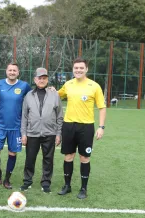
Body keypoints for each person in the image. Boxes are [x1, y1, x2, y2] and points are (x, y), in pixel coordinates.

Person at [57, 57, 106, 199]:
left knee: (84, 157)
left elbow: (102, 108)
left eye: (81, 68)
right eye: (76, 68)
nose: (78, 70)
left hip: (86, 127)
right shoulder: (68, 84)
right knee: (68, 156)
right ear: (73, 69)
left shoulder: (94, 86)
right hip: (69, 125)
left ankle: (83, 188)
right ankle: (67, 185)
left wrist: (101, 127)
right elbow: (56, 95)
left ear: (86, 69)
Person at [20, 67, 63, 193]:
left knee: (48, 159)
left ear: (47, 79)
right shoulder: (28, 95)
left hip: (50, 133)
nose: (42, 80)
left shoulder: (54, 94)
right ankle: (27, 181)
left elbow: (60, 116)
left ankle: (45, 183)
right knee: (30, 159)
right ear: (35, 79)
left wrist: (58, 133)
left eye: (44, 78)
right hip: (32, 133)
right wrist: (24, 133)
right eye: (39, 78)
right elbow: (24, 116)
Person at [0, 62, 32, 189]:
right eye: (10, 70)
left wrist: (50, 89)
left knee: (12, 153)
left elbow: (34, 96)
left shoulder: (24, 86)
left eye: (15, 70)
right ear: (6, 71)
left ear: (18, 72)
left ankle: (7, 179)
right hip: (0, 125)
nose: (12, 72)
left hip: (16, 127)